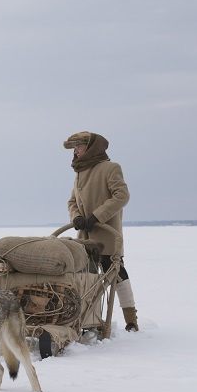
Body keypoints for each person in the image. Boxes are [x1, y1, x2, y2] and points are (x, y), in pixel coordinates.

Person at [63, 131, 140, 332]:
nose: (75, 151)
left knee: (117, 275)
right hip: (85, 238)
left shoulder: (110, 168)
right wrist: (77, 217)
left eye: (78, 147)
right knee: (86, 279)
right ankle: (89, 320)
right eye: (74, 148)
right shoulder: (79, 173)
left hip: (107, 235)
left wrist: (97, 216)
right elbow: (72, 201)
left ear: (90, 147)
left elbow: (122, 195)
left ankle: (131, 320)